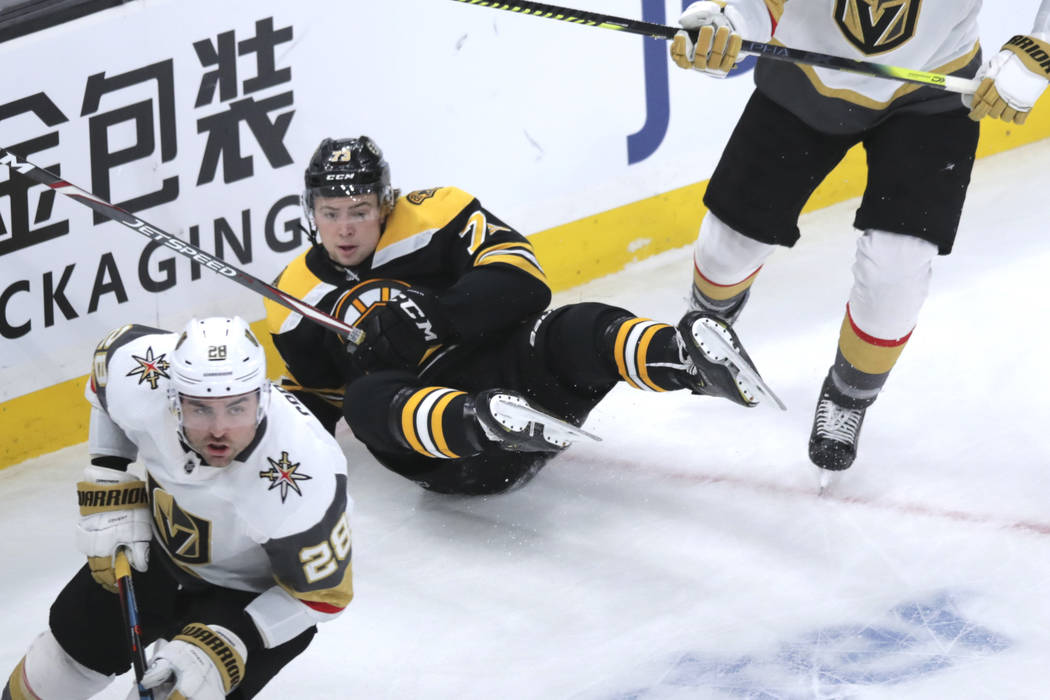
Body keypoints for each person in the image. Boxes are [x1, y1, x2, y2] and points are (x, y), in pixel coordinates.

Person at [265, 136, 781, 496]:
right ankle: (481, 423)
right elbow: (316, 403)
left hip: (516, 381)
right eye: (331, 213)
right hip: (449, 458)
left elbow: (524, 281)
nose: (346, 229)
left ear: (385, 202)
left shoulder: (438, 213)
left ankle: (683, 360)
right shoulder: (294, 297)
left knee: (570, 326)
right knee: (364, 400)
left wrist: (435, 315)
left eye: (360, 210)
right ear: (311, 213)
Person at [668, 0, 1050, 474]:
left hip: (931, 91)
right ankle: (705, 328)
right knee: (728, 247)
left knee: (897, 270)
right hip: (805, 71)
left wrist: (1042, 45)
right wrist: (728, 23)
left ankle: (849, 396)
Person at [3, 317, 353, 700]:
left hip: (247, 599)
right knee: (57, 669)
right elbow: (105, 391)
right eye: (200, 409)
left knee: (182, 692)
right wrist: (109, 474)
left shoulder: (303, 476)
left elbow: (323, 596)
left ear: (262, 397)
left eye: (236, 409)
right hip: (156, 551)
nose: (219, 429)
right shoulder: (143, 373)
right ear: (173, 397)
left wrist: (229, 642)